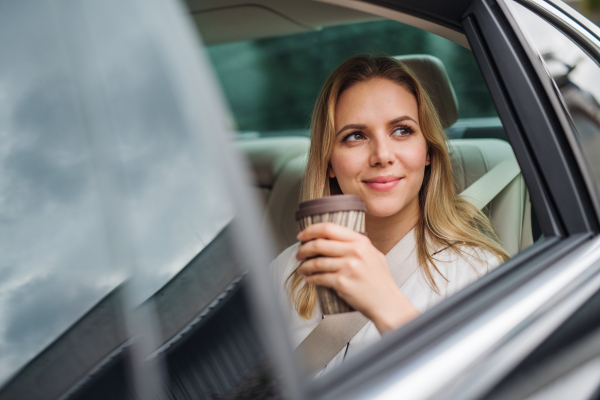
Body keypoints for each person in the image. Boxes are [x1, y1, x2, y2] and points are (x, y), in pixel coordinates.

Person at [271, 55, 509, 371]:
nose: (382, 155)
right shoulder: (288, 270)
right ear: (329, 161)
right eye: (355, 135)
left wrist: (387, 304)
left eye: (401, 130)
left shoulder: (477, 274)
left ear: (427, 151)